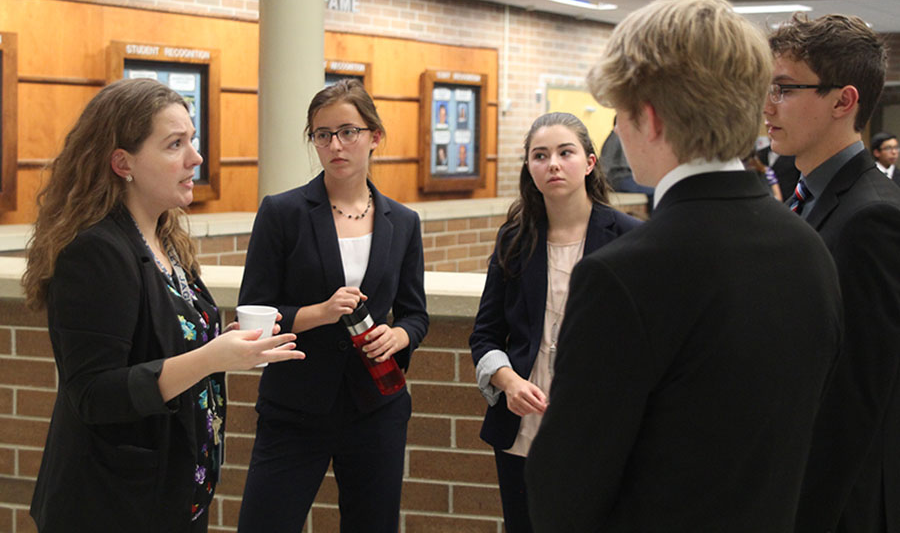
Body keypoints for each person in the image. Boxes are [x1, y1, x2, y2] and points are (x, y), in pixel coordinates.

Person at [525, 0, 841, 532]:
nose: (618, 131)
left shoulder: (624, 274)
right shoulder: (808, 246)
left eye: (619, 114)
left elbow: (566, 489)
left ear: (648, 118)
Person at [22, 78, 303, 533]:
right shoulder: (96, 252)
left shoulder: (165, 238)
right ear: (123, 163)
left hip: (171, 494)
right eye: (175, 145)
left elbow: (170, 345)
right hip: (112, 505)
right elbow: (94, 394)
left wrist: (227, 346)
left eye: (192, 140)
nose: (195, 158)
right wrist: (210, 358)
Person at [237, 79, 429, 532]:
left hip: (375, 407)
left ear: (374, 136)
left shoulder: (402, 222)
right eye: (322, 134)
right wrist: (318, 312)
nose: (335, 145)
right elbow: (254, 311)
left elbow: (415, 313)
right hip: (294, 405)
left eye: (348, 131)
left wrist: (399, 335)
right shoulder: (282, 213)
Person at [469, 112, 640, 532]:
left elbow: (645, 342)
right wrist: (507, 380)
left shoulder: (629, 238)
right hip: (523, 428)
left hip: (599, 431)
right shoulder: (514, 238)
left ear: (590, 162)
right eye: (540, 156)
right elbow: (486, 334)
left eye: (566, 152)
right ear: (529, 167)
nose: (553, 165)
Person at [767, 14, 900, 533]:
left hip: (841, 503)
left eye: (784, 89)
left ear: (843, 102)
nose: (766, 105)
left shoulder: (872, 216)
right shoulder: (806, 197)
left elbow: (856, 398)